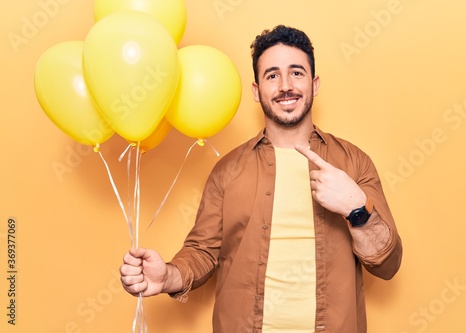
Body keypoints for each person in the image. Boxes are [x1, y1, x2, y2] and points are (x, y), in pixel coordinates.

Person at [120, 25, 403, 333]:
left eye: (296, 73)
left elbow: (388, 265)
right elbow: (203, 252)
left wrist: (357, 209)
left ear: (315, 83)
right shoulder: (228, 170)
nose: (285, 86)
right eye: (272, 75)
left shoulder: (353, 162)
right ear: (256, 91)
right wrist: (167, 278)